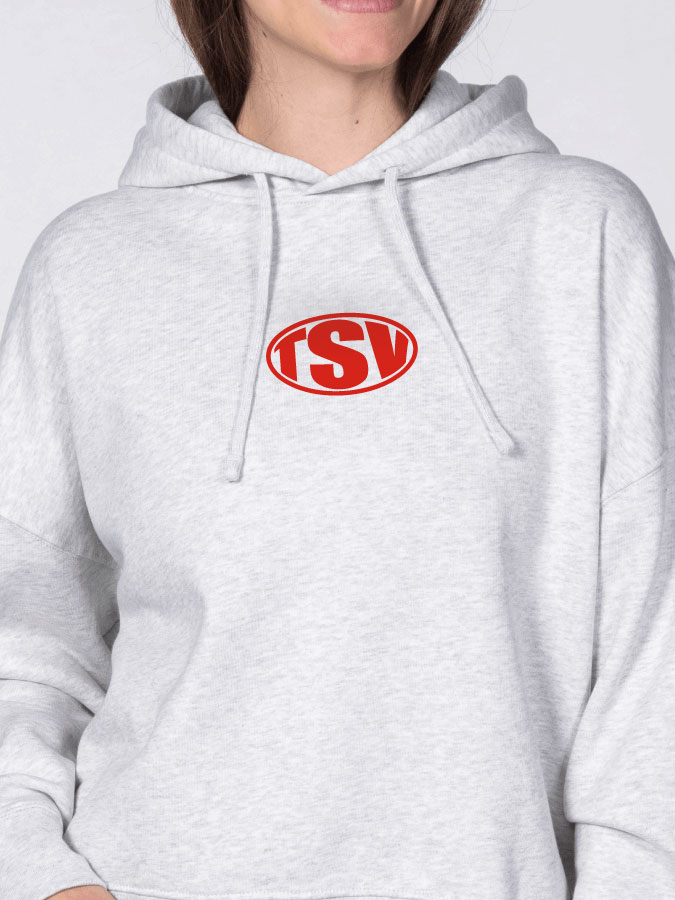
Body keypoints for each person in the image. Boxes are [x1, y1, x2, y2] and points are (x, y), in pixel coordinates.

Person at [1, 1, 674, 899]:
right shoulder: (90, 266)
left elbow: (655, 652)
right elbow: (25, 644)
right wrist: (40, 876)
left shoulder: (579, 233)